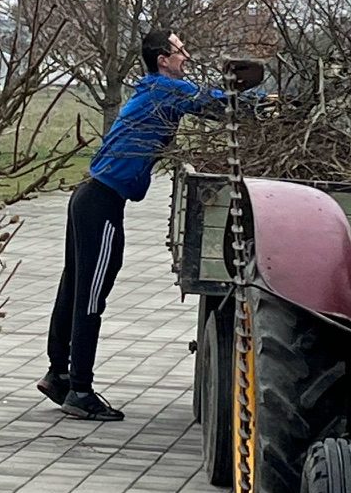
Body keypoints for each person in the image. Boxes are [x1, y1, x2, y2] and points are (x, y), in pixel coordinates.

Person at [42, 28, 265, 421]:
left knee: (74, 287)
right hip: (101, 203)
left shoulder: (153, 89)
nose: (186, 56)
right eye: (180, 51)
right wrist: (263, 105)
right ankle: (79, 389)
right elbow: (216, 105)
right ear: (163, 59)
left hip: (89, 198)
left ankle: (57, 374)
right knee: (90, 295)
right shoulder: (166, 89)